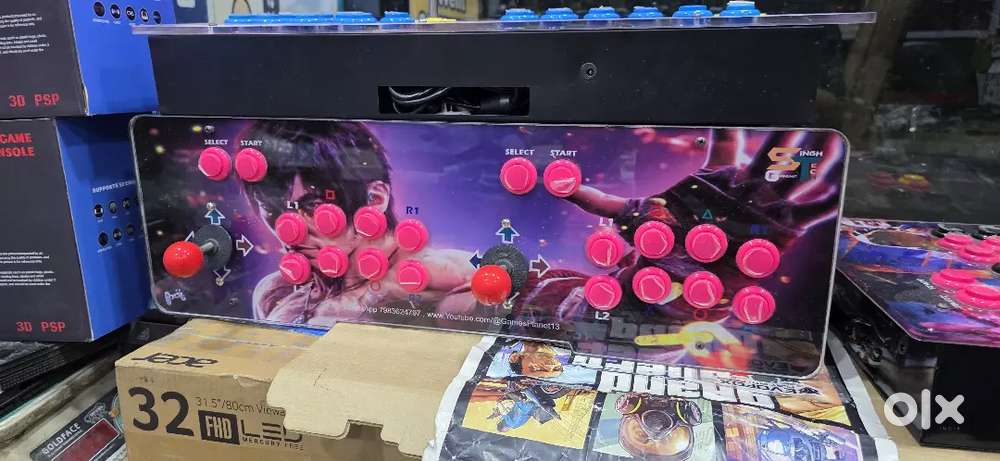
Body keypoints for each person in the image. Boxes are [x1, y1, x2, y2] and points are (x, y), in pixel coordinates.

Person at [244, 120, 476, 326]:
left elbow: (476, 308)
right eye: (271, 208)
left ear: (375, 199)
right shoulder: (274, 293)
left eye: (313, 204)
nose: (288, 228)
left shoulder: (447, 275)